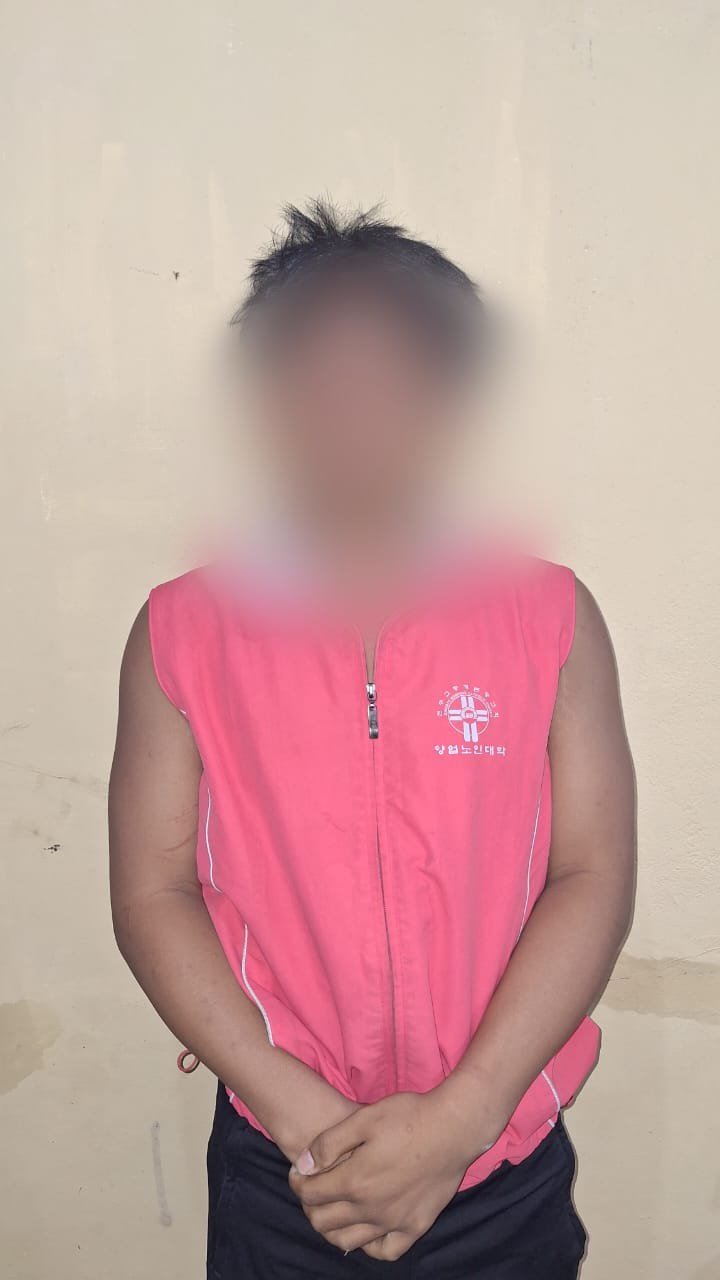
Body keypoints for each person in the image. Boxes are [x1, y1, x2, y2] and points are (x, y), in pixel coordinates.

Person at [108, 199, 635, 1279]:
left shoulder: (547, 618)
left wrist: (463, 1115)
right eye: (316, 378)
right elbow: (151, 892)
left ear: (449, 397)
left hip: (499, 1150)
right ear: (266, 396)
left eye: (391, 379)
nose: (351, 418)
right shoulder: (183, 631)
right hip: (285, 1161)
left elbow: (592, 872)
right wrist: (306, 1121)